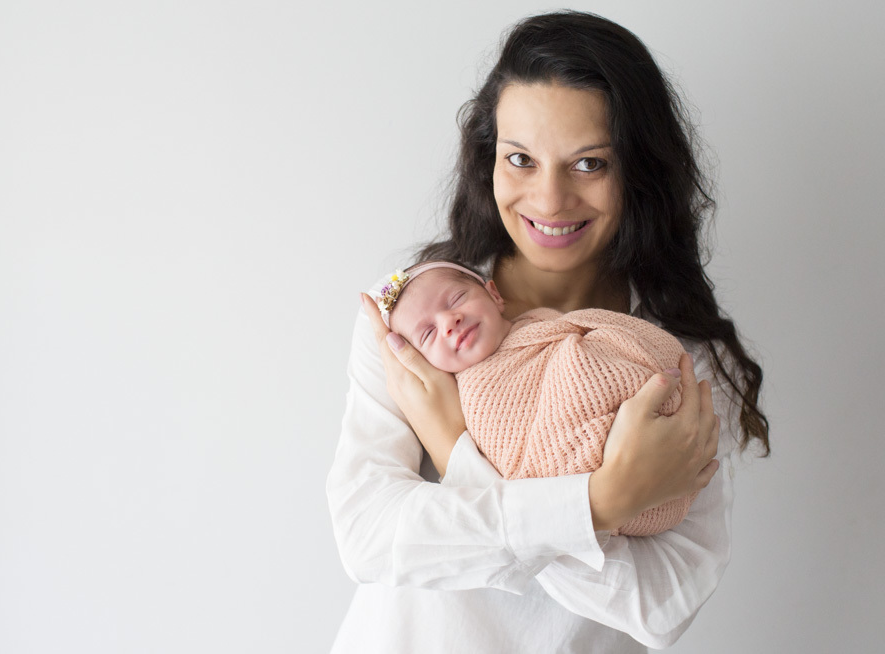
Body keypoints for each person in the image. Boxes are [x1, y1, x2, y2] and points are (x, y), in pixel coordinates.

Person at [327, 10, 769, 652]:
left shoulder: (680, 363)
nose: (550, 199)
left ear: (638, 170)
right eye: (521, 159)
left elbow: (661, 608)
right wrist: (600, 504)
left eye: (589, 163)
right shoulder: (415, 319)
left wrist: (454, 450)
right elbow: (368, 538)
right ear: (489, 160)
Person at [378, 259, 694, 538]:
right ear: (423, 364)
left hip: (672, 442)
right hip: (614, 481)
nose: (449, 322)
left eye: (457, 299)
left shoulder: (541, 322)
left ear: (494, 294)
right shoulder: (473, 396)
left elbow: (602, 332)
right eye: (428, 334)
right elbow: (520, 473)